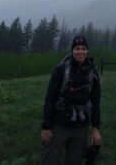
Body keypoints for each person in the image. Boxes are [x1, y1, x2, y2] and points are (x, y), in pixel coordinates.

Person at [39, 35, 101, 165]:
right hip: (59, 125)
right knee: (50, 160)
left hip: (81, 127)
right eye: (77, 48)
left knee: (74, 161)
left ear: (87, 51)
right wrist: (46, 126)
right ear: (72, 50)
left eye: (83, 48)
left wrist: (95, 128)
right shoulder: (61, 69)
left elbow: (95, 101)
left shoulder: (92, 72)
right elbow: (50, 98)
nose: (80, 52)